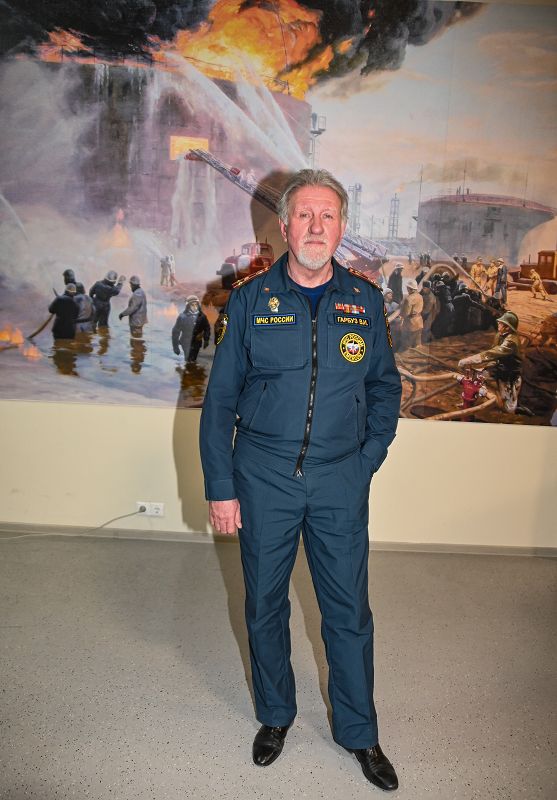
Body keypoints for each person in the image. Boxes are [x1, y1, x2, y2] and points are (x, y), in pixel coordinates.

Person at [199, 169, 401, 791]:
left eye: (328, 216)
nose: (316, 227)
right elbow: (220, 402)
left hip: (340, 480)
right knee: (264, 605)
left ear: (342, 228)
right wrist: (221, 487)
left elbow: (384, 387)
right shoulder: (249, 302)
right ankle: (276, 715)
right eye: (305, 216)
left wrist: (366, 461)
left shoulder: (364, 302)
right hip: (264, 477)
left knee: (348, 612)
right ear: (285, 227)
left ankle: (360, 733)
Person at [458, 311, 522, 413]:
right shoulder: (499, 335)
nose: (498, 324)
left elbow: (492, 353)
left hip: (509, 371)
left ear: (507, 327)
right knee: (478, 377)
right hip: (498, 365)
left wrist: (469, 360)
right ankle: (469, 403)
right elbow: (494, 356)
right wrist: (485, 367)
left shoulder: (511, 341)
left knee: (508, 408)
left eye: (501, 323)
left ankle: (508, 405)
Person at [172, 295, 210, 363]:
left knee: (193, 359)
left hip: (197, 342)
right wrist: (175, 347)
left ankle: (190, 366)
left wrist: (206, 339)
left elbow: (207, 328)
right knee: (188, 359)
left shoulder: (202, 317)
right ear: (188, 306)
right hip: (185, 342)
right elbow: (176, 331)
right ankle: (188, 367)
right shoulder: (182, 317)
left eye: (196, 305)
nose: (195, 307)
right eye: (192, 305)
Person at [399, 278, 423, 349]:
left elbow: (406, 313)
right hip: (419, 322)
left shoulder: (408, 299)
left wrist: (401, 313)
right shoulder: (420, 296)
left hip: (410, 324)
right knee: (417, 344)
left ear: (409, 288)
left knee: (407, 345)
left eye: (407, 288)